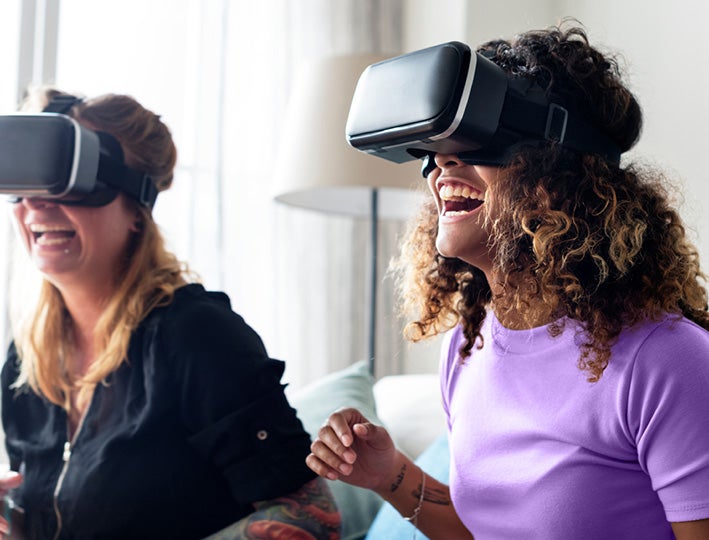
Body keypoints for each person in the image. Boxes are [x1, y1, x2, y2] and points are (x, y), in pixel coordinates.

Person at [306, 24, 709, 540]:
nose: (443, 162)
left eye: (477, 141)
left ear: (562, 180)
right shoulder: (466, 349)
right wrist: (391, 477)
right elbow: (483, 531)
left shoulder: (666, 360)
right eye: (437, 147)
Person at [0, 87, 341, 539]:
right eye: (27, 184)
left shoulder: (196, 336)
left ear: (136, 209)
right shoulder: (27, 361)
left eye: (72, 182)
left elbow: (313, 518)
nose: (38, 204)